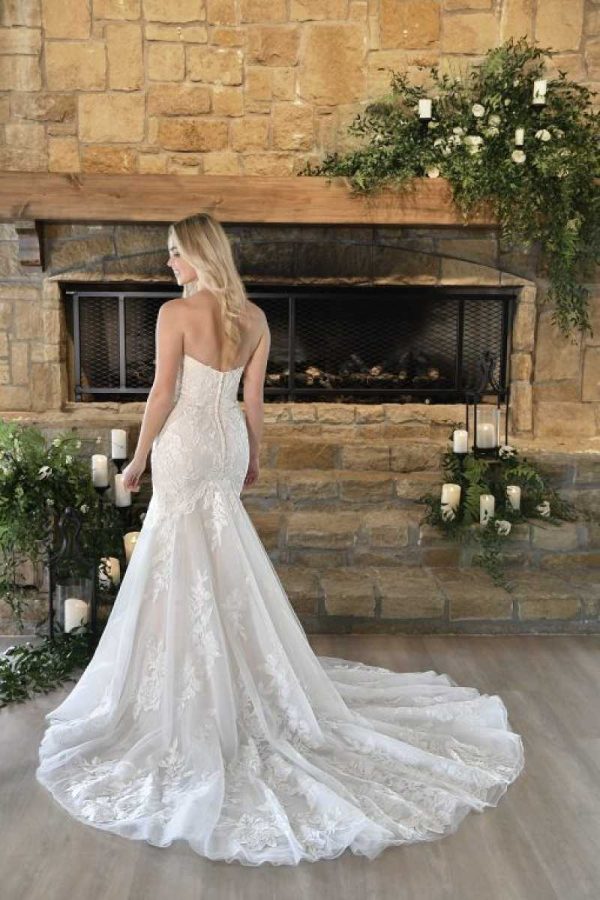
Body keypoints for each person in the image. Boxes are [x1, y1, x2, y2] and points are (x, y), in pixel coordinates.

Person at [36, 213, 524, 866]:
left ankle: (187, 687)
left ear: (202, 256)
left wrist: (137, 459)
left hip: (186, 443)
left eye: (177, 254)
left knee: (177, 557)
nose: (170, 265)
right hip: (228, 443)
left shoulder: (175, 315)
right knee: (223, 555)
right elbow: (254, 400)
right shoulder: (257, 320)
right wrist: (256, 454)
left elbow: (161, 395)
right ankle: (236, 683)